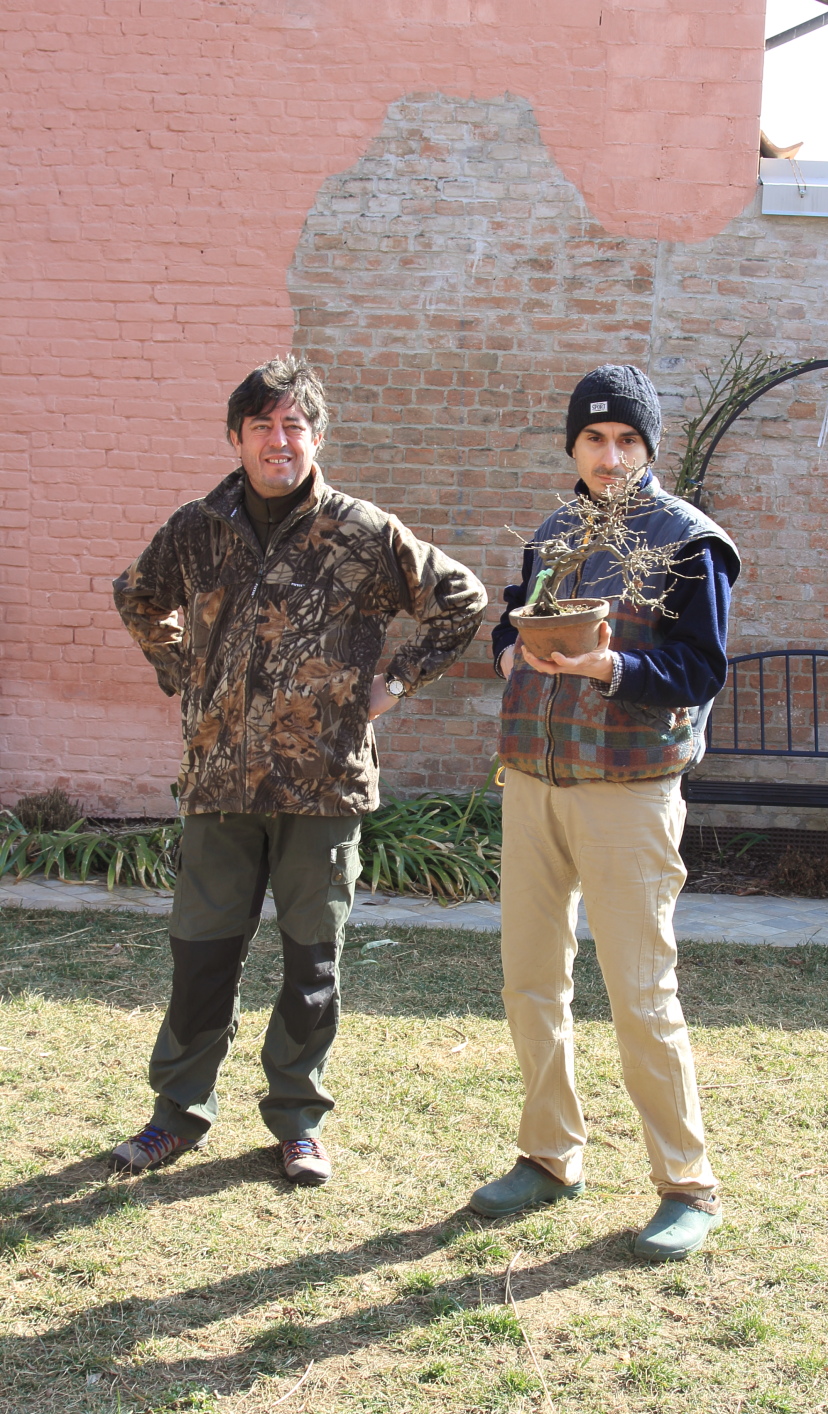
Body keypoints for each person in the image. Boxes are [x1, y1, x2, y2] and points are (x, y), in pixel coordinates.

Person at [110, 356, 487, 1184]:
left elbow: (461, 598)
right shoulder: (197, 529)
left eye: (294, 425)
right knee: (202, 957)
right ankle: (178, 1113)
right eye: (262, 426)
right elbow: (138, 595)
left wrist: (394, 684)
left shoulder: (363, 531)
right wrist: (186, 673)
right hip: (219, 783)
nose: (278, 441)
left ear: (317, 437)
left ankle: (298, 1120)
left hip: (324, 785)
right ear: (236, 438)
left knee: (312, 965)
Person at [470, 364, 740, 1260]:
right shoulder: (553, 532)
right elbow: (516, 620)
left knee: (641, 993)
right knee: (529, 981)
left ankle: (687, 1184)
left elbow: (700, 670)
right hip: (534, 783)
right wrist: (511, 651)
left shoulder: (689, 542)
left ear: (649, 447)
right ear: (573, 447)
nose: (610, 456)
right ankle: (550, 1155)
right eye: (594, 439)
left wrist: (608, 668)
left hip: (628, 792)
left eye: (627, 440)